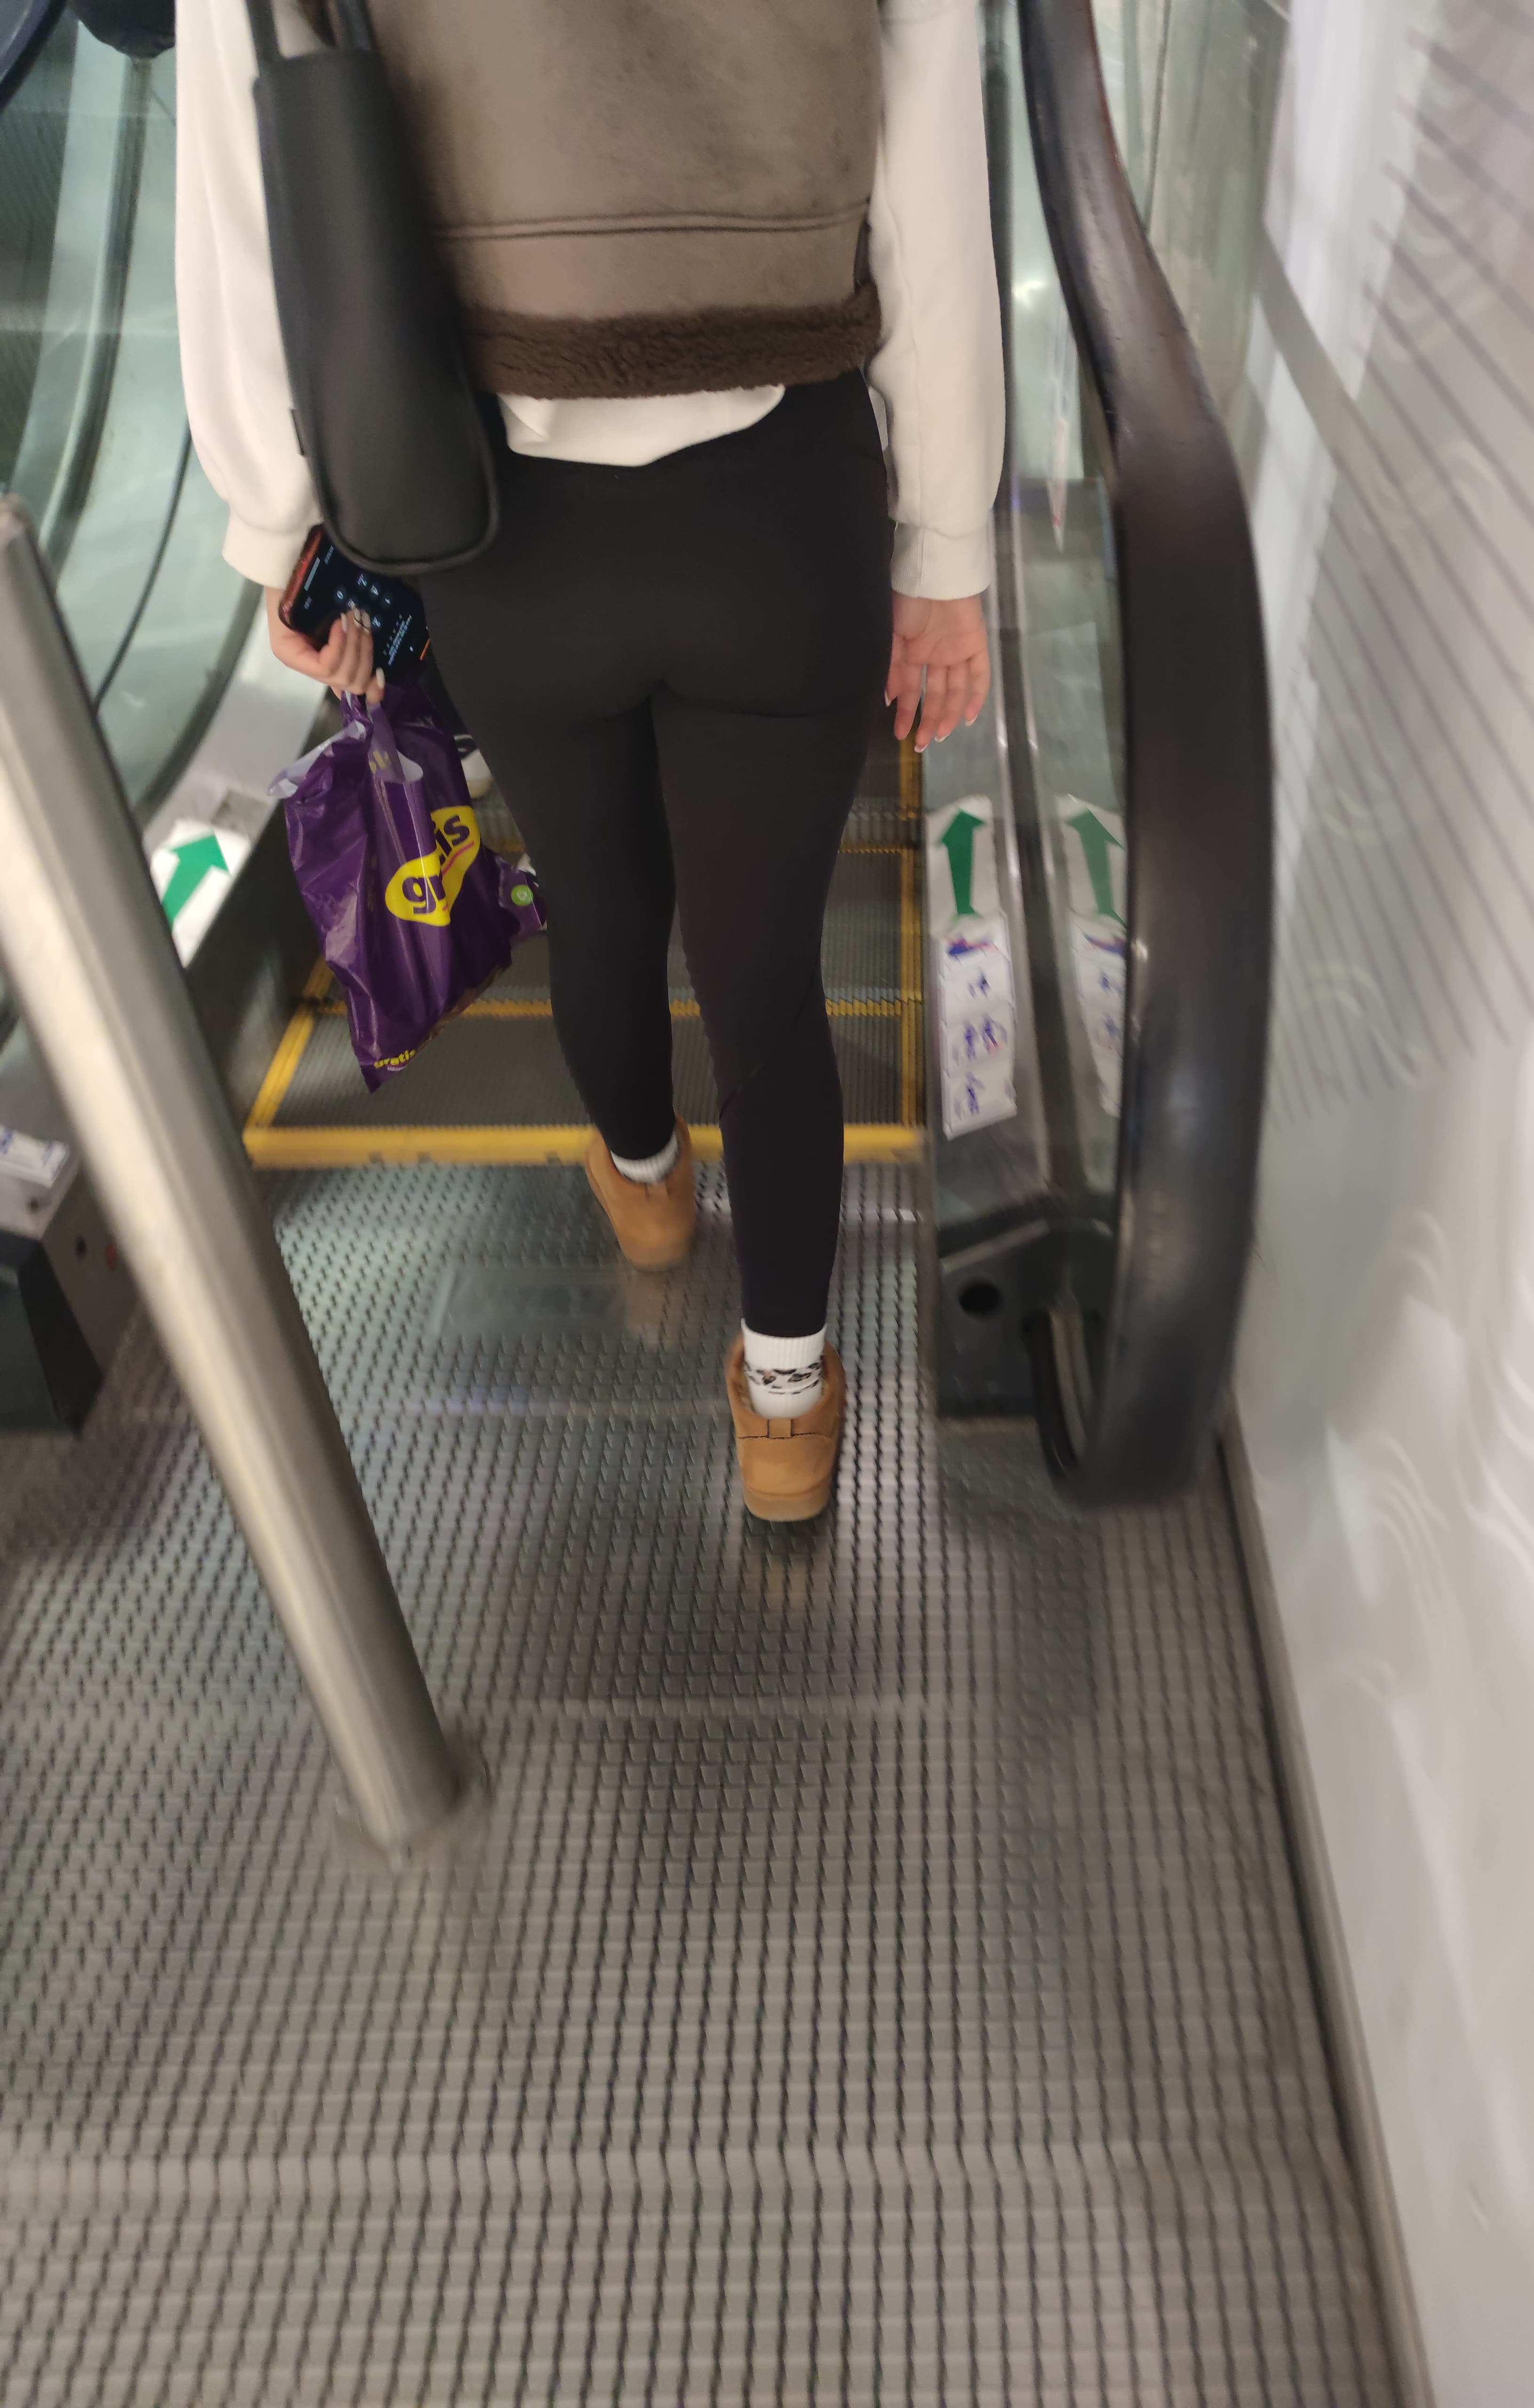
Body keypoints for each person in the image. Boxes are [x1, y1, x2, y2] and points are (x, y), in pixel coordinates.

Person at [174, 0, 1003, 1520]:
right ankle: (788, 1401)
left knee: (602, 912)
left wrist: (276, 511)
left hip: (505, 516)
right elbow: (931, 136)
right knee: (767, 987)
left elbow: (253, 116)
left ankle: (646, 1187)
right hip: (785, 496)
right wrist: (946, 539)